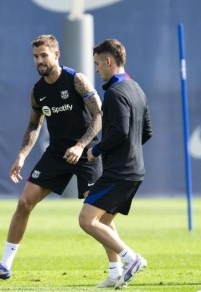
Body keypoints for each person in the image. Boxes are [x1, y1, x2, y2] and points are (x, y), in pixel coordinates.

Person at [0, 34, 106, 281]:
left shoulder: (76, 80)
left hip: (87, 152)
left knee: (97, 216)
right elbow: (34, 126)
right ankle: (4, 266)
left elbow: (99, 115)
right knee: (24, 203)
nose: (39, 61)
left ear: (56, 55)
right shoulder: (38, 91)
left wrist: (80, 146)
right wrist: (22, 155)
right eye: (36, 56)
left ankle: (120, 265)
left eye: (44, 55)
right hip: (57, 153)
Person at [80, 39, 152, 289]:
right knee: (105, 222)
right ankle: (114, 274)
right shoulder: (136, 88)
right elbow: (147, 132)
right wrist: (130, 150)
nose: (97, 69)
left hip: (120, 171)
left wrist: (95, 150)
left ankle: (132, 259)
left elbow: (120, 131)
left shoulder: (115, 92)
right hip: (133, 170)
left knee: (87, 221)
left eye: (98, 63)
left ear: (109, 61)